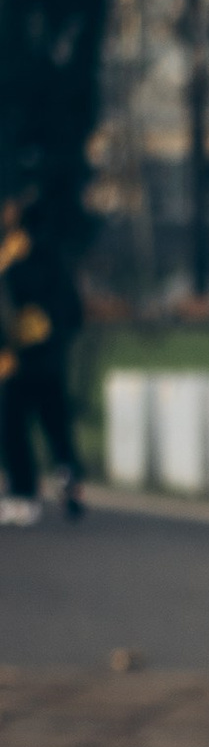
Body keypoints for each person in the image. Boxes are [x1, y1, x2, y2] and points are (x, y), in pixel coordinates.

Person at [0, 190, 87, 528]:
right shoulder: (57, 257)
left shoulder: (12, 255)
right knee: (56, 424)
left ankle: (24, 496)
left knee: (13, 428)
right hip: (53, 357)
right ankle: (70, 480)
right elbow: (74, 310)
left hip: (18, 358)